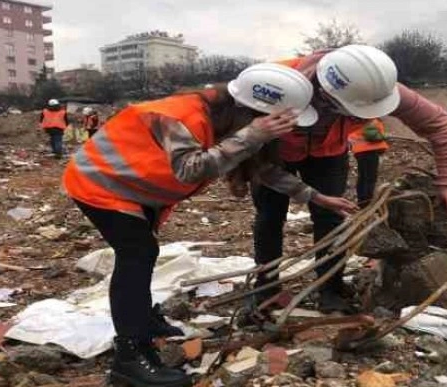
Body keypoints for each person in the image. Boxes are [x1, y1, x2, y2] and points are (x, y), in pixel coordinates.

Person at [62, 63, 355, 387]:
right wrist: (254, 134)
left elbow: (261, 168)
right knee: (138, 254)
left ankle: (144, 321)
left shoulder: (228, 123)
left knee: (142, 253)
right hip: (101, 182)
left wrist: (316, 197)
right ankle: (130, 358)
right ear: (253, 111)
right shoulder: (183, 118)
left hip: (135, 187)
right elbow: (190, 169)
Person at [252, 45, 447, 313]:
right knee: (269, 217)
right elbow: (241, 142)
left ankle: (331, 289)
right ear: (325, 93)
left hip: (328, 153)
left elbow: (440, 124)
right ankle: (265, 290)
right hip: (271, 152)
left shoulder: (373, 84)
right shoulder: (271, 83)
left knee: (330, 217)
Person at [348, 119, 389, 207]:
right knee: (370, 178)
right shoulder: (370, 120)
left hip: (360, 151)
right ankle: (366, 202)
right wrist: (385, 136)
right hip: (369, 151)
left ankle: (362, 201)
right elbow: (373, 136)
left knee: (363, 177)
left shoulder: (355, 119)